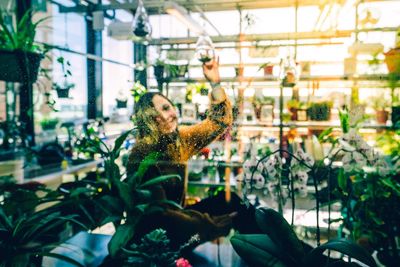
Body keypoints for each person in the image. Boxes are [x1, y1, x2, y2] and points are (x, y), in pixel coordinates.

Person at [127, 58, 260, 249]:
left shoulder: (180, 139)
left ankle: (277, 253)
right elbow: (160, 216)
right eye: (154, 116)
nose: (165, 117)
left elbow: (219, 122)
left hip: (180, 218)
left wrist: (214, 82)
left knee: (233, 202)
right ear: (147, 123)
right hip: (157, 238)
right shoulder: (141, 155)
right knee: (233, 212)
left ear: (174, 108)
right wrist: (210, 225)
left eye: (166, 108)